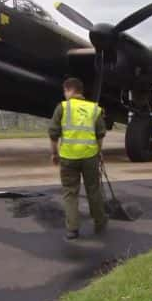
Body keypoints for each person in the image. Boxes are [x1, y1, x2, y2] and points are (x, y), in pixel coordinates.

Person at [48, 77, 108, 240]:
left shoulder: (62, 108)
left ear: (69, 90)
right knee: (93, 190)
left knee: (70, 193)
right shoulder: (94, 109)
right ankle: (100, 221)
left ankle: (72, 229)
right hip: (89, 157)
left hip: (68, 158)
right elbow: (100, 135)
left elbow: (53, 134)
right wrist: (98, 152)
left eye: (65, 91)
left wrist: (54, 154)